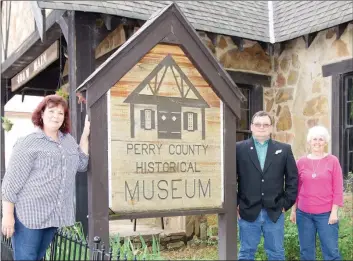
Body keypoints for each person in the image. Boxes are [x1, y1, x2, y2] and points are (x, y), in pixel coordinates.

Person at [1, 94, 90, 260]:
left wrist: (85, 135)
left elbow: (82, 164)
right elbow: (11, 182)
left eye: (60, 113)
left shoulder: (68, 141)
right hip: (29, 217)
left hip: (53, 217)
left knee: (39, 257)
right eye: (51, 111)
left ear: (64, 118)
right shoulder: (29, 142)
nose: (55, 116)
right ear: (41, 114)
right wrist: (8, 216)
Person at [236, 110, 298, 260]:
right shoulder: (238, 148)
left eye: (265, 124)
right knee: (246, 253)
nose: (261, 127)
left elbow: (293, 179)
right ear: (251, 127)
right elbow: (230, 179)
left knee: (276, 253)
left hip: (275, 211)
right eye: (258, 124)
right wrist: (236, 203)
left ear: (271, 128)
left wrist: (286, 204)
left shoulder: (284, 149)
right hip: (247, 210)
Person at [290, 125, 343, 260]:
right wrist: (293, 210)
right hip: (304, 214)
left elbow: (338, 188)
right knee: (306, 252)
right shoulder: (301, 162)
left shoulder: (333, 161)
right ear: (309, 141)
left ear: (325, 142)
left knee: (331, 252)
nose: (317, 142)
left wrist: (334, 212)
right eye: (314, 139)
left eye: (321, 139)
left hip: (326, 215)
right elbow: (296, 187)